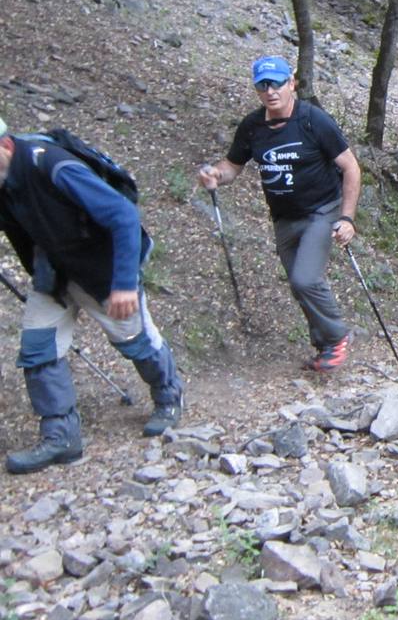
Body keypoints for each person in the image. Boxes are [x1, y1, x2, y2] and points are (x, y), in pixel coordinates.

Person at [0, 115, 184, 474]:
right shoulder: (5, 182)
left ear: (5, 145)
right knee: (39, 348)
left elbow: (123, 215)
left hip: (104, 270)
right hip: (53, 272)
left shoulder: (52, 165)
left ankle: (168, 394)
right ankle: (61, 436)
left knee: (134, 341)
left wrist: (124, 284)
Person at [197, 55, 360, 372]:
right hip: (284, 217)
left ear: (292, 83)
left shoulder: (314, 121)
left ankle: (337, 337)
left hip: (322, 210)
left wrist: (347, 217)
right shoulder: (253, 127)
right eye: (263, 85)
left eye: (277, 83)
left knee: (305, 279)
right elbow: (232, 166)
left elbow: (351, 167)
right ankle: (325, 345)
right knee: (298, 284)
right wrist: (214, 174)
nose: (271, 91)